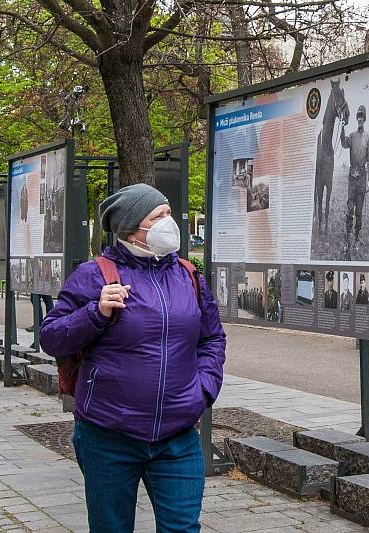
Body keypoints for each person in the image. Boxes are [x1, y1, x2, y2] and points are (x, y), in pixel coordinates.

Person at [40, 183, 226, 533]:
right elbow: (51, 337)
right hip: (108, 435)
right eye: (160, 216)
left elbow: (212, 337)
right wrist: (95, 312)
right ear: (131, 228)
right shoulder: (93, 275)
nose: (170, 222)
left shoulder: (188, 274)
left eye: (169, 213)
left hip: (178, 435)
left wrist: (203, 389)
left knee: (183, 528)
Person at [340, 104, 369, 257]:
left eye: (362, 116)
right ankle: (347, 238)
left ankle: (357, 238)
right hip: (352, 178)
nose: (360, 118)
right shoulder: (351, 136)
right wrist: (341, 127)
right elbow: (343, 143)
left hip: (362, 178)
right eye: (358, 116)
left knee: (359, 212)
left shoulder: (367, 137)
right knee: (349, 209)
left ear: (364, 119)